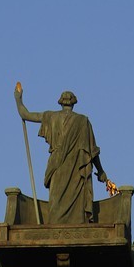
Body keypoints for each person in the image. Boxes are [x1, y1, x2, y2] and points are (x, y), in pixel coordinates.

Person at [13, 83, 118, 225]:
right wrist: (101, 172)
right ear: (73, 103)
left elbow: (24, 114)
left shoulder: (51, 117)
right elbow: (92, 151)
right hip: (76, 168)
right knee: (75, 204)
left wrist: (18, 99)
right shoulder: (83, 121)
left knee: (56, 201)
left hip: (57, 166)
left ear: (61, 103)